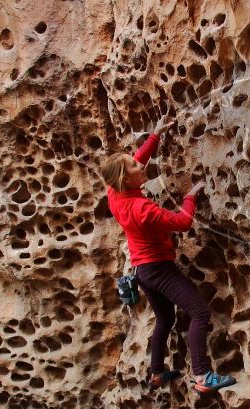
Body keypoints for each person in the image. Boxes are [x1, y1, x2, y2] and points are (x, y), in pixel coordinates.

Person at [100, 118, 236, 394]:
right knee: (199, 312)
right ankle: (203, 377)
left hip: (142, 270)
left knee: (165, 320)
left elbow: (136, 159)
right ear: (126, 178)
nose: (141, 165)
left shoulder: (114, 193)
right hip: (158, 268)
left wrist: (155, 136)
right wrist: (190, 197)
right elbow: (183, 222)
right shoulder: (142, 209)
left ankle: (157, 374)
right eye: (136, 167)